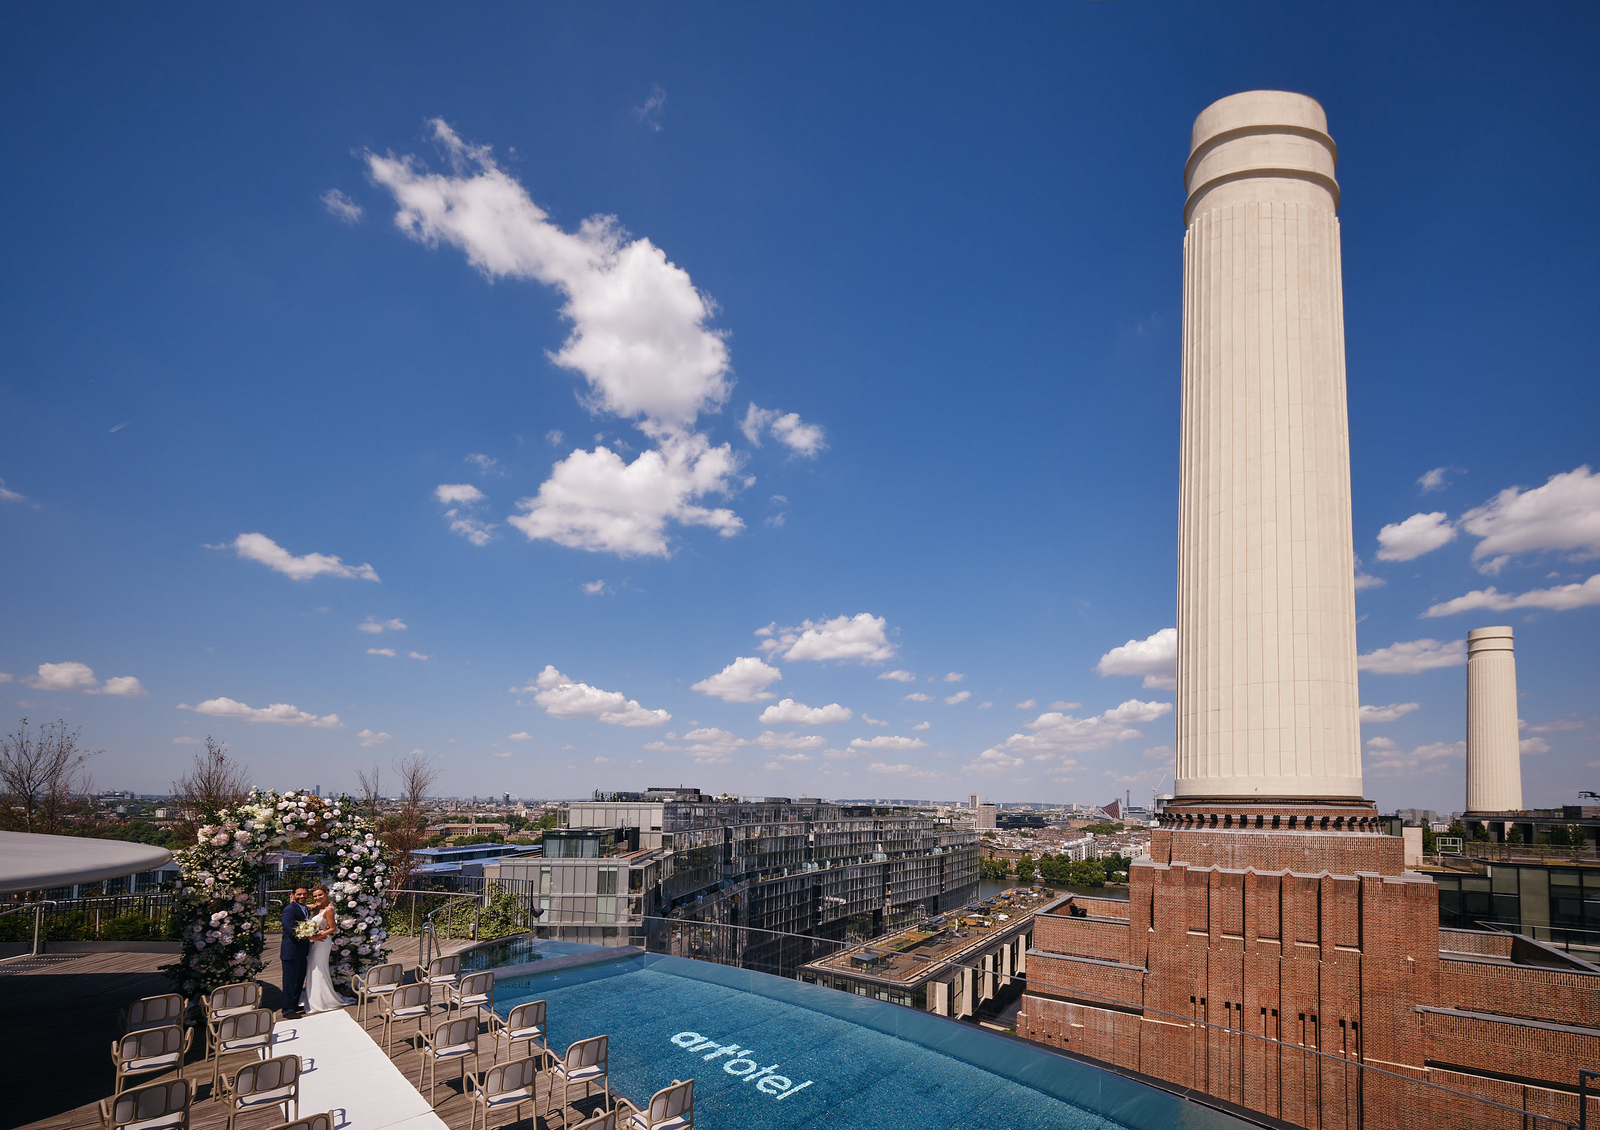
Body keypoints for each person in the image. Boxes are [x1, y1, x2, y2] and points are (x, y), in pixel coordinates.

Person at [303, 884, 356, 1013]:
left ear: (326, 893)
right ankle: (314, 997)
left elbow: (332, 928)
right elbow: (307, 906)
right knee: (312, 968)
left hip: (321, 942)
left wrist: (317, 935)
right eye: (315, 896)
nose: (317, 898)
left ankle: (322, 1000)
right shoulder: (318, 907)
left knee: (319, 969)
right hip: (314, 942)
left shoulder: (329, 909)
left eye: (320, 895)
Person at [279, 888, 311, 1019]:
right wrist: (310, 935)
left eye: (304, 894)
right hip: (291, 951)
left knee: (299, 980)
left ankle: (294, 1003)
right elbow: (291, 930)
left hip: (302, 951)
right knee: (290, 981)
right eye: (299, 894)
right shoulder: (289, 910)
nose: (302, 896)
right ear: (293, 895)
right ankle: (287, 1009)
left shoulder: (304, 908)